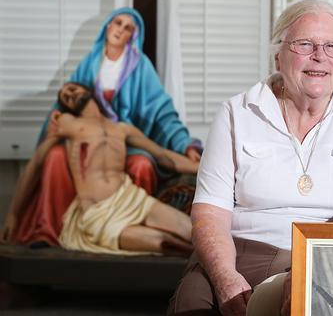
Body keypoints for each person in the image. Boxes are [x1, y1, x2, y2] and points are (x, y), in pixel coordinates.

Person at [157, 0, 333, 316]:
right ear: (278, 55)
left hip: (330, 257)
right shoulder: (237, 112)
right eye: (304, 44)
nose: (319, 56)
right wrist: (226, 277)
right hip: (244, 251)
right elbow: (210, 210)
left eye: (331, 46)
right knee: (195, 308)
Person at [8, 7, 201, 247]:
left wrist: (191, 151)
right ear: (107, 26)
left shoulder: (139, 71)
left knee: (145, 166)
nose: (120, 29)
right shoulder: (88, 68)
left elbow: (162, 117)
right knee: (55, 156)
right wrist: (13, 214)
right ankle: (50, 230)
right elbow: (37, 159)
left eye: (127, 26)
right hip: (97, 203)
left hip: (125, 156)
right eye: (116, 22)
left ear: (133, 35)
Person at [4, 82, 197, 256]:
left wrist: (201, 166)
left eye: (71, 89)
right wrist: (13, 214)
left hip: (131, 199)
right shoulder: (68, 123)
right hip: (97, 212)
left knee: (193, 230)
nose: (69, 95)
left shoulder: (121, 128)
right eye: (65, 98)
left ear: (88, 90)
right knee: (165, 243)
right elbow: (36, 164)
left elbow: (163, 156)